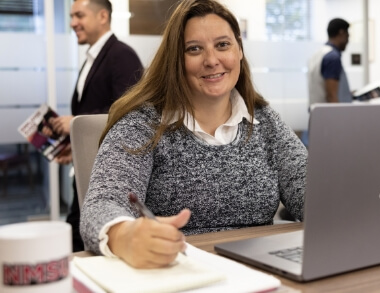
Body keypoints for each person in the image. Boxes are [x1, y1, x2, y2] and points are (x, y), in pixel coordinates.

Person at [80, 0, 307, 269]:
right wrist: (125, 234)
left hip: (260, 269)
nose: (212, 61)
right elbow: (101, 205)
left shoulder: (264, 119)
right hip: (178, 271)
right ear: (176, 59)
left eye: (223, 45)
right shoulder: (142, 124)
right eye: (194, 49)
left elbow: (309, 190)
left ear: (239, 50)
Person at [48, 0, 143, 252]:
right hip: (87, 166)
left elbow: (133, 112)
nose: (72, 23)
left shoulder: (121, 55)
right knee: (77, 236)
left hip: (108, 174)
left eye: (79, 15)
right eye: (71, 16)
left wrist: (77, 123)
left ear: (103, 16)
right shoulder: (93, 57)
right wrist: (76, 146)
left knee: (82, 239)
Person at [307, 18, 352, 105]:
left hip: (317, 113)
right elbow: (331, 96)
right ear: (341, 33)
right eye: (347, 36)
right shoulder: (333, 58)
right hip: (329, 115)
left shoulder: (318, 54)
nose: (348, 41)